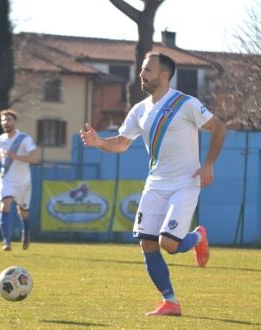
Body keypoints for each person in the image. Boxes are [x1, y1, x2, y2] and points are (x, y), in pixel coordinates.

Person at [80, 52, 227, 316]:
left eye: (147, 70)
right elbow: (122, 143)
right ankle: (170, 302)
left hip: (185, 183)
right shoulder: (140, 110)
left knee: (168, 244)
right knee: (147, 244)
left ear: (164, 75)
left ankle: (196, 237)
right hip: (155, 185)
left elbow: (219, 128)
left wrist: (208, 164)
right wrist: (99, 141)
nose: (141, 74)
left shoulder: (185, 103)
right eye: (142, 69)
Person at [0, 108, 38, 251]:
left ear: (15, 122)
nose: (5, 123)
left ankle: (26, 232)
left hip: (23, 182)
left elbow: (34, 159)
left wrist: (15, 156)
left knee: (23, 212)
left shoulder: (25, 139)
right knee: (5, 205)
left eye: (8, 120)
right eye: (3, 120)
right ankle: (7, 242)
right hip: (6, 179)